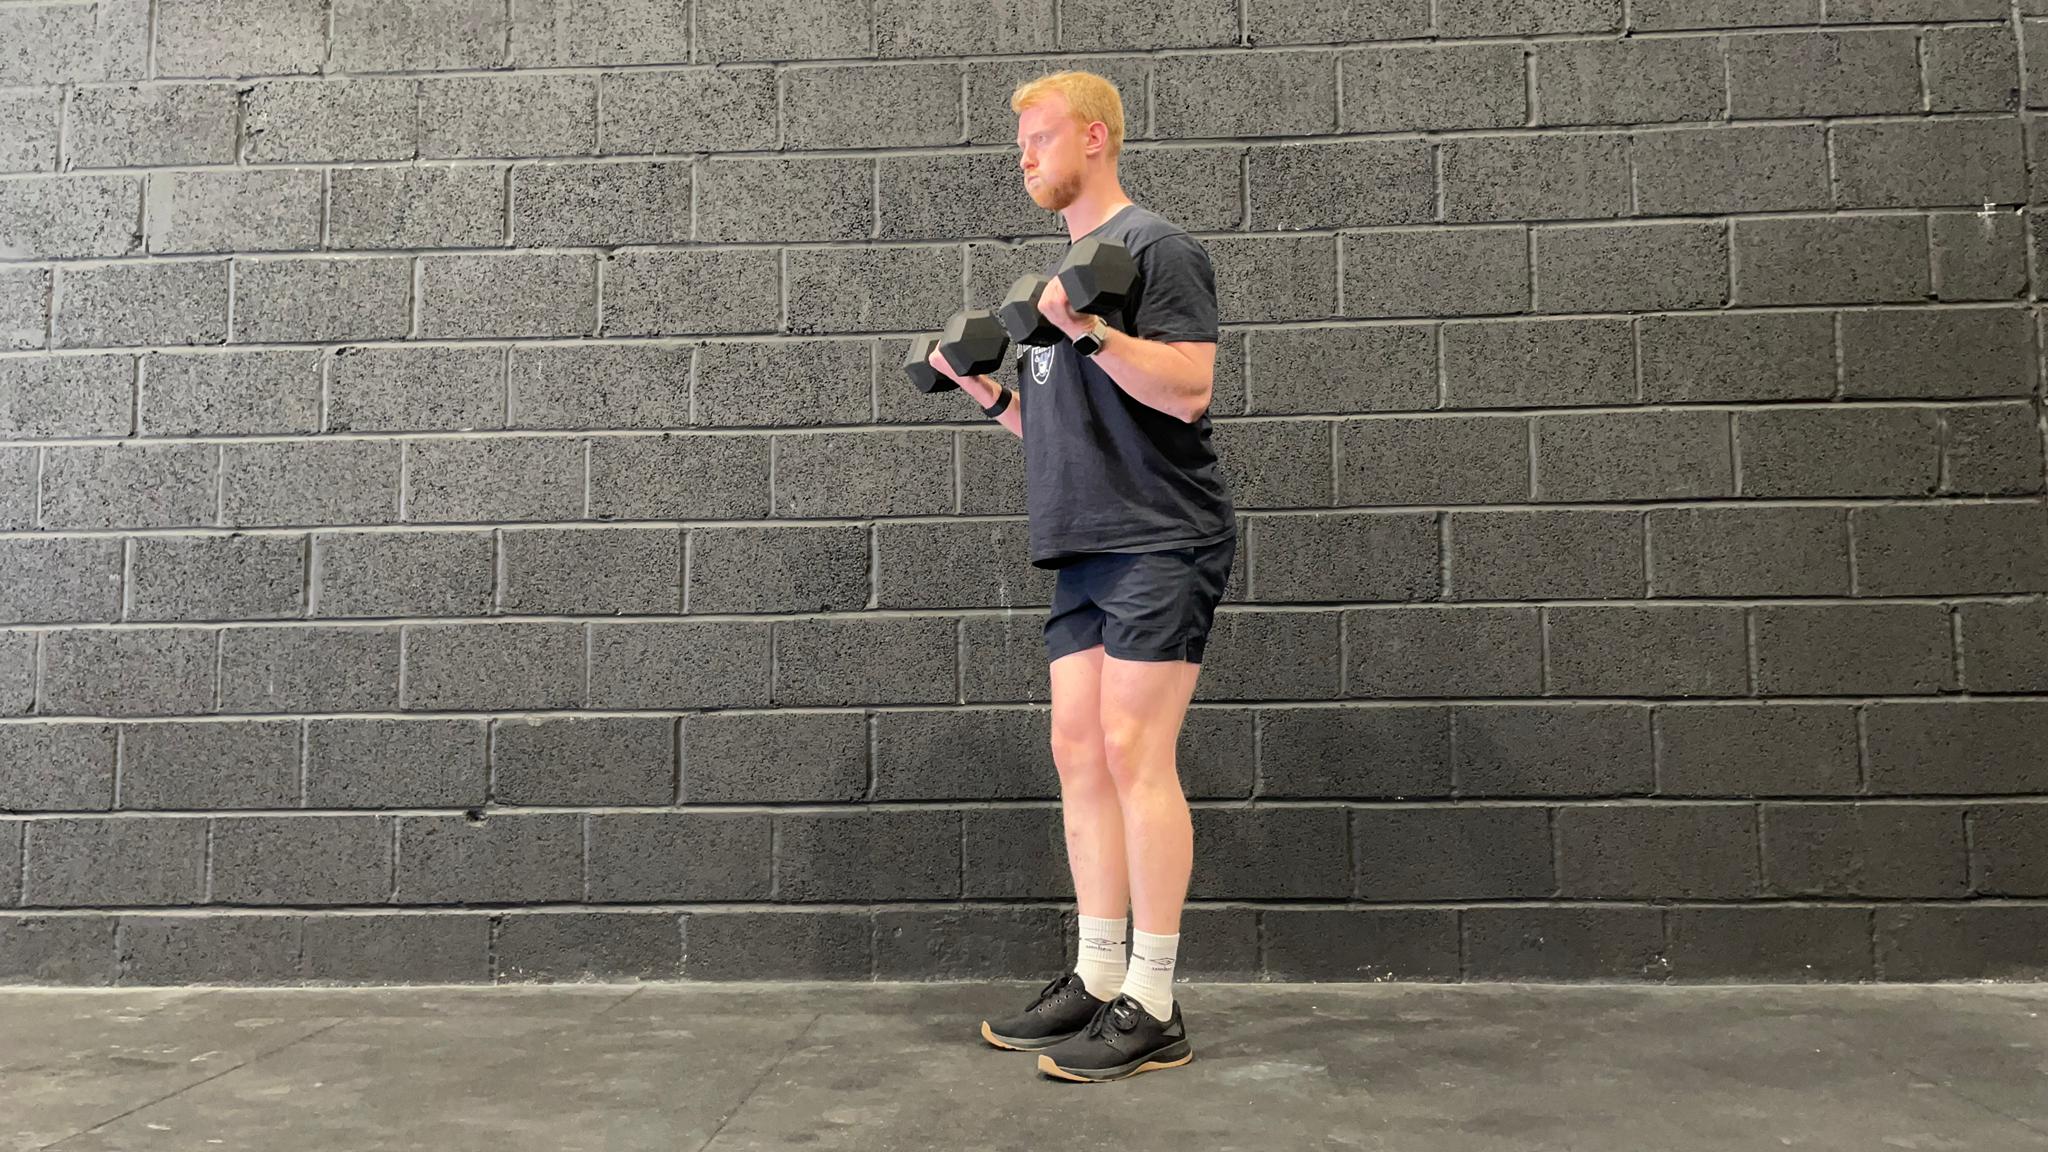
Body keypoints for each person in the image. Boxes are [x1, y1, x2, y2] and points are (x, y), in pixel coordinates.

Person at [926, 70, 1235, 1084]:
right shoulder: (1054, 288)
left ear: (1094, 138)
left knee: (1130, 747)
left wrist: (1087, 329)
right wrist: (987, 397)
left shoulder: (1155, 250)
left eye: (1041, 136)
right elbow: (1062, 430)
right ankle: (1098, 976)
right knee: (1076, 750)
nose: (1024, 155)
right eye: (1019, 140)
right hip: (1084, 547)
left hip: (1160, 539)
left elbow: (1187, 389)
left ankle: (1152, 999)